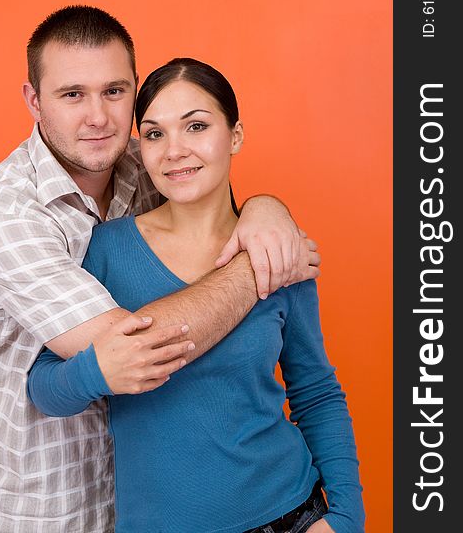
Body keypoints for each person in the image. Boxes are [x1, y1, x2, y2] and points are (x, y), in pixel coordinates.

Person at [0, 6, 320, 533]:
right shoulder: (4, 219)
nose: (97, 116)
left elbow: (210, 185)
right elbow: (138, 345)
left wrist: (266, 208)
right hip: (26, 508)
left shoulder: (145, 165)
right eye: (72, 94)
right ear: (34, 101)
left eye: (115, 91)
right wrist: (258, 266)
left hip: (126, 504)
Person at [28, 58, 364, 533]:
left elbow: (316, 392)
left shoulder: (276, 249)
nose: (174, 151)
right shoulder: (107, 248)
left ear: (236, 135)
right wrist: (102, 368)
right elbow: (44, 387)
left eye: (197, 126)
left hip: (288, 513)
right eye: (155, 134)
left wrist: (346, 518)